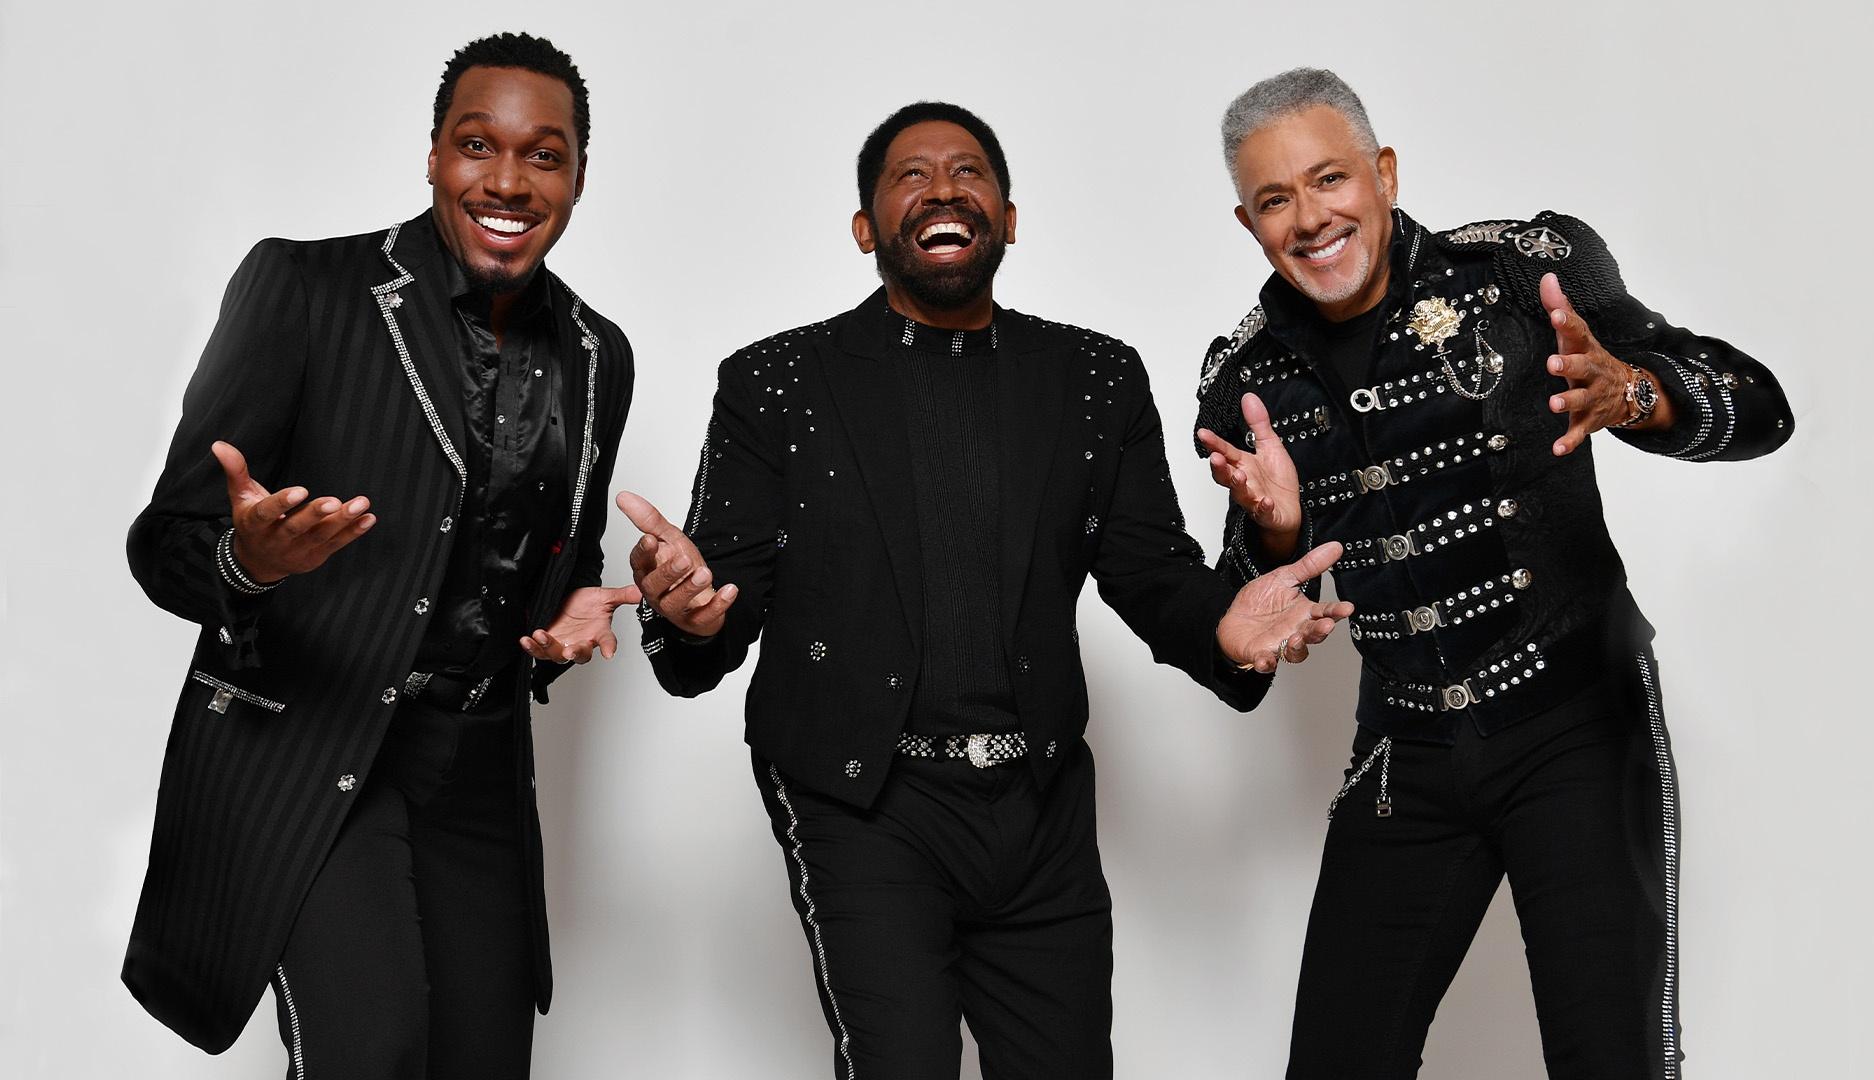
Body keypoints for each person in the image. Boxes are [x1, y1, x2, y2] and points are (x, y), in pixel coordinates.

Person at [621, 101, 1352, 1079]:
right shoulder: (778, 382)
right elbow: (720, 596)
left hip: (1039, 803)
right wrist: (685, 612)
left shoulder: (1094, 377)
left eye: (968, 172)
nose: (942, 189)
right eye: (910, 176)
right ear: (866, 228)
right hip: (859, 800)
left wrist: (1245, 589)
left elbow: (1151, 574)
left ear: (1008, 219)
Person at [1192, 68, 1793, 1078]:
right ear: (1248, 223)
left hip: (1576, 724)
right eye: (1275, 199)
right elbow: (1246, 640)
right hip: (1405, 754)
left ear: (1384, 174)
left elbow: (1761, 408)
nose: (1310, 218)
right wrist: (1277, 534)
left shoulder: (1521, 272)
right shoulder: (1245, 380)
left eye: (1330, 178)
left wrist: (1633, 392)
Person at [123, 32, 637, 1079]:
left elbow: (553, 562)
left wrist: (566, 617)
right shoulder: (305, 288)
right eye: (477, 145)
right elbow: (166, 541)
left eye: (543, 155)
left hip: (478, 772)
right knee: (372, 1051)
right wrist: (251, 562)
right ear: (434, 155)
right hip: (312, 748)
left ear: (579, 176)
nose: (508, 181)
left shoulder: (598, 354)